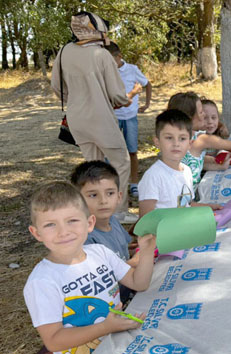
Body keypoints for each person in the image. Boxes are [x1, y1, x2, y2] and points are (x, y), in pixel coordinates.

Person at [23, 181, 156, 354]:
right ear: (36, 233)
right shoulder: (42, 282)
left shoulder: (100, 253)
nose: (63, 232)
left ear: (89, 223)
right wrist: (106, 327)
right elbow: (54, 341)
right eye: (50, 225)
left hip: (118, 352)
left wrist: (147, 252)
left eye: (72, 221)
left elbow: (138, 282)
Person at [50, 12, 138, 222]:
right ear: (97, 29)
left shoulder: (64, 52)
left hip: (76, 118)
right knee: (121, 162)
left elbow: (57, 87)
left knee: (92, 165)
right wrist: (125, 99)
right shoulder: (102, 55)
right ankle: (118, 211)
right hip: (101, 117)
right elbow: (117, 94)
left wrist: (76, 98)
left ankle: (94, 211)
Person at [71, 161, 138, 303]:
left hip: (127, 292)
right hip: (110, 306)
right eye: (93, 195)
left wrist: (138, 249)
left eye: (110, 193)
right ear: (78, 201)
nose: (103, 201)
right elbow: (102, 278)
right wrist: (135, 262)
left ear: (119, 197)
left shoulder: (113, 221)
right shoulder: (85, 238)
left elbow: (124, 249)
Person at [138, 109, 222, 217]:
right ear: (157, 142)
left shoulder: (187, 171)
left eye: (182, 138)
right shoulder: (153, 177)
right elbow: (145, 221)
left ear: (190, 143)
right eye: (169, 138)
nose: (176, 144)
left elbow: (186, 205)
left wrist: (208, 207)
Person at [105, 42, 152, 199]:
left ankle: (134, 184)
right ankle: (110, 184)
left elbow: (147, 84)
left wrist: (146, 104)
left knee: (132, 151)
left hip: (130, 117)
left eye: (112, 60)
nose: (110, 64)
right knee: (111, 152)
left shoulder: (132, 70)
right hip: (113, 117)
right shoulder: (105, 71)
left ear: (120, 56)